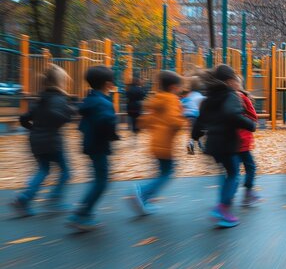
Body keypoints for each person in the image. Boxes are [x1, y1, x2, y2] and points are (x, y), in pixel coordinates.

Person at [191, 65, 256, 228]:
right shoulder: (230, 95)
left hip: (213, 144)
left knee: (228, 173)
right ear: (229, 81)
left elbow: (200, 121)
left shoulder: (209, 98)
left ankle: (224, 203)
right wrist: (250, 124)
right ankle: (222, 208)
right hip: (227, 142)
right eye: (235, 79)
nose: (237, 83)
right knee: (233, 174)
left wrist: (195, 137)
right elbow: (231, 114)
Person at [11, 65, 75, 216]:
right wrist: (68, 114)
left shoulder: (40, 99)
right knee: (66, 173)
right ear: (61, 82)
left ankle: (24, 199)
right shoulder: (59, 99)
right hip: (52, 141)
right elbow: (59, 116)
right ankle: (54, 200)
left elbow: (23, 118)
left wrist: (33, 129)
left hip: (36, 140)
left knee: (43, 170)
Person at [67, 66, 119, 231]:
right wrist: (112, 134)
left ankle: (85, 214)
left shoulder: (88, 100)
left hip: (90, 144)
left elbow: (83, 124)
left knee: (98, 179)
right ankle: (81, 214)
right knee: (101, 182)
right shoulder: (103, 102)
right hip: (99, 145)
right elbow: (106, 121)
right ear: (108, 84)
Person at [129, 71, 185, 215]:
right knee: (167, 173)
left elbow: (144, 121)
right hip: (166, 144)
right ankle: (142, 192)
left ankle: (145, 200)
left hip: (155, 143)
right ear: (173, 87)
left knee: (162, 172)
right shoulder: (172, 99)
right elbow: (174, 121)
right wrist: (183, 120)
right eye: (179, 87)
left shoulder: (156, 99)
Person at [236, 77, 261, 206]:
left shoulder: (227, 97)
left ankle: (232, 191)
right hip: (243, 138)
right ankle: (248, 193)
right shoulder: (242, 97)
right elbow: (254, 116)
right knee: (250, 167)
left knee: (234, 167)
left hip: (232, 138)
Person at [181, 75, 205, 154]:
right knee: (198, 132)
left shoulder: (189, 95)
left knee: (191, 132)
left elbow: (182, 102)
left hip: (187, 115)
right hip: (196, 116)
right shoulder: (199, 95)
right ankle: (201, 146)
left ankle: (191, 144)